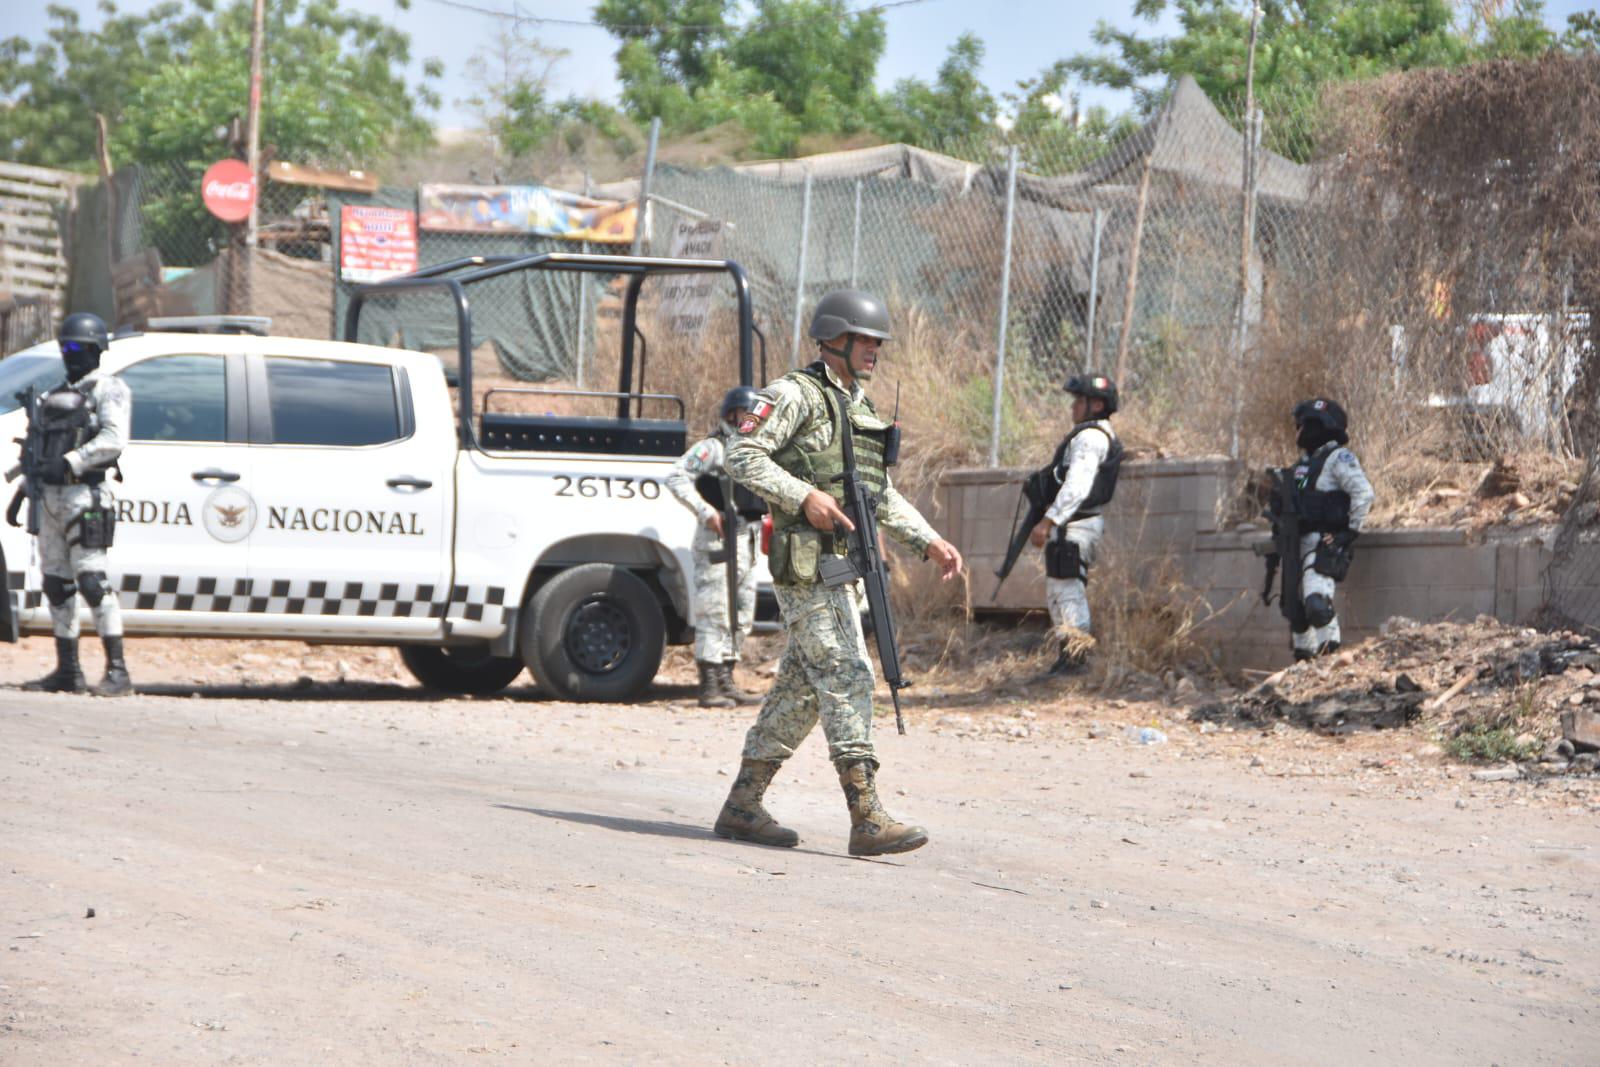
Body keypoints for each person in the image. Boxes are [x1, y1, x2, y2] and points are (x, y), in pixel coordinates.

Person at [714, 288, 963, 857]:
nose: (875, 351)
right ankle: (866, 817)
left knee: (803, 690)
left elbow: (879, 494)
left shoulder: (859, 405)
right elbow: (742, 454)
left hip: (839, 565)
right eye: (866, 341)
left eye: (878, 342)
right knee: (848, 672)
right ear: (836, 340)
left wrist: (929, 540)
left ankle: (743, 806)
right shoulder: (794, 394)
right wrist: (803, 496)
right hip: (806, 565)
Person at [18, 312, 133, 695]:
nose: (70, 354)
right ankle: (68, 670)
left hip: (86, 495)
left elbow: (114, 439)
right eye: (65, 347)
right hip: (51, 498)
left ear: (96, 350)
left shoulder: (108, 388)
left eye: (78, 348)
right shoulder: (55, 392)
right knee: (56, 583)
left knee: (92, 580)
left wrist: (71, 461)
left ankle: (117, 670)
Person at [664, 386, 765, 709]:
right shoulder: (713, 448)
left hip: (747, 537)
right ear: (732, 414)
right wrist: (706, 512)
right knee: (715, 609)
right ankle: (709, 685)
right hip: (718, 538)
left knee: (741, 611)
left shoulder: (755, 451)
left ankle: (726, 679)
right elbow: (677, 475)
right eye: (745, 414)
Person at [1027, 373, 1123, 676]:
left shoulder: (1090, 437)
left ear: (1096, 404)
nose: (1073, 408)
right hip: (1072, 526)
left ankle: (1077, 661)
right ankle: (1066, 658)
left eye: (1079, 401)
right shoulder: (1091, 434)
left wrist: (1048, 521)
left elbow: (1077, 486)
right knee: (1059, 588)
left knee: (1068, 591)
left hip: (1075, 526)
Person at [1271, 398, 1374, 661]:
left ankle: (1331, 661)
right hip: (1296, 544)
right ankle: (1304, 669)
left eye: (1303, 426)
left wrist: (1348, 533)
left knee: (1317, 604)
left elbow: (1363, 493)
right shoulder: (1304, 465)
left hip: (1322, 544)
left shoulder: (1338, 458)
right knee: (1295, 612)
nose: (1299, 432)